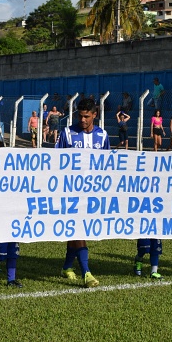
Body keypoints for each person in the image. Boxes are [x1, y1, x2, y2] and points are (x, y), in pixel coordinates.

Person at [55, 97, 108, 288]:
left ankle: (67, 266)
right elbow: (55, 160)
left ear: (95, 115)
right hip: (71, 191)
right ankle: (87, 272)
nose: (83, 119)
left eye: (87, 116)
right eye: (80, 115)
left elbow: (107, 165)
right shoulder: (67, 133)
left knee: (76, 230)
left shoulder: (102, 136)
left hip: (92, 191)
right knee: (79, 229)